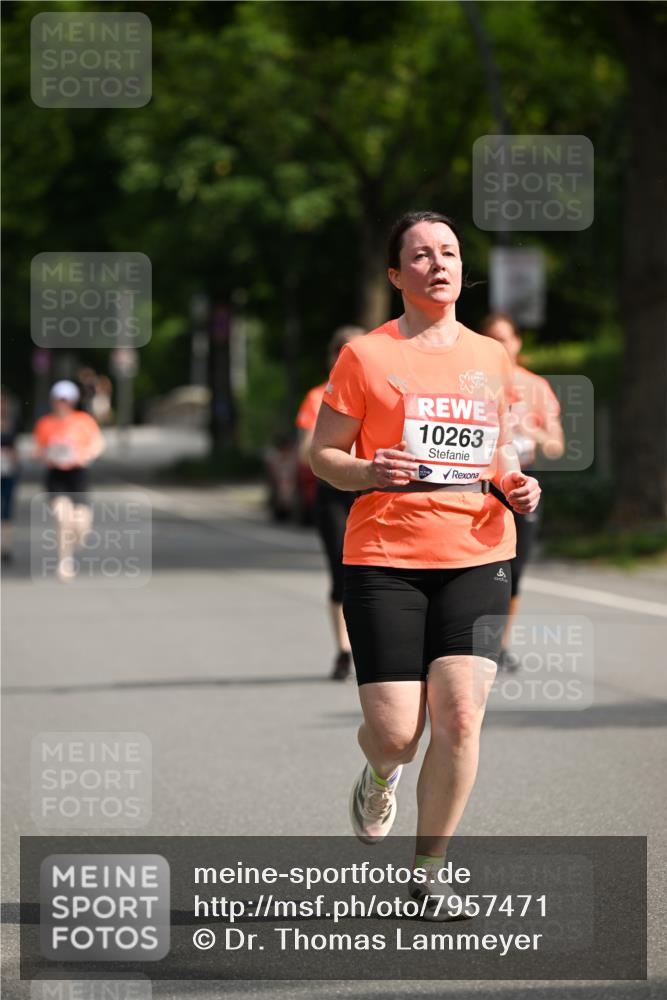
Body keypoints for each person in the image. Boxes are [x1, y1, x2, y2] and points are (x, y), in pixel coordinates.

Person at [310, 211, 540, 917]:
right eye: (419, 255)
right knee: (396, 732)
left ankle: (429, 874)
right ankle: (379, 772)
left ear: (462, 270)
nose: (437, 264)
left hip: (477, 550)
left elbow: (498, 448)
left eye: (448, 252)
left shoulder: (489, 358)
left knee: (462, 716)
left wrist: (514, 482)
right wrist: (371, 469)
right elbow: (322, 455)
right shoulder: (366, 357)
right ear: (394, 275)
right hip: (385, 556)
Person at [480, 313, 564, 670]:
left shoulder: (536, 388)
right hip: (482, 481)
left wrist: (531, 427)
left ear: (517, 342)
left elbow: (557, 446)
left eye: (506, 338)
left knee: (514, 569)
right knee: (479, 566)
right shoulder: (474, 381)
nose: (502, 345)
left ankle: (500, 643)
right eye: (492, 338)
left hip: (522, 480)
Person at [296, 326, 365, 680]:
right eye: (343, 352)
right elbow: (307, 447)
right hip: (333, 493)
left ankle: (372, 643)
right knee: (342, 573)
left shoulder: (379, 386)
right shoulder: (317, 396)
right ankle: (343, 650)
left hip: (370, 490)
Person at [33, 380, 105, 582]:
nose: (61, 403)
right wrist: (46, 454)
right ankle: (65, 561)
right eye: (58, 399)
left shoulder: (83, 420)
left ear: (72, 401)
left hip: (78, 474)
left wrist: (86, 455)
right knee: (63, 517)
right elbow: (37, 450)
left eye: (65, 399)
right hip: (56, 475)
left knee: (81, 525)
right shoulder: (45, 423)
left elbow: (98, 444)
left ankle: (74, 545)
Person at [1, 388, 20, 564]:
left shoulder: (11, 423)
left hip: (8, 471)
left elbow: (15, 447)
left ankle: (5, 547)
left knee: (7, 509)